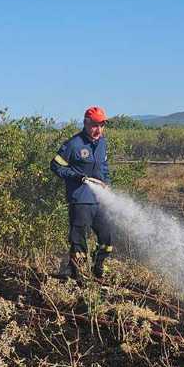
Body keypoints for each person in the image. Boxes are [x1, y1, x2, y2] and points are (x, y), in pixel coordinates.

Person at [50, 106, 113, 282]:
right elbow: (55, 165)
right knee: (78, 242)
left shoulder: (102, 143)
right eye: (94, 125)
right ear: (85, 123)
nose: (98, 129)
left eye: (101, 125)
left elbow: (103, 167)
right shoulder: (73, 144)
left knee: (106, 238)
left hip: (100, 200)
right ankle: (78, 277)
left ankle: (99, 270)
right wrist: (77, 177)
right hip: (80, 200)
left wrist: (107, 183)